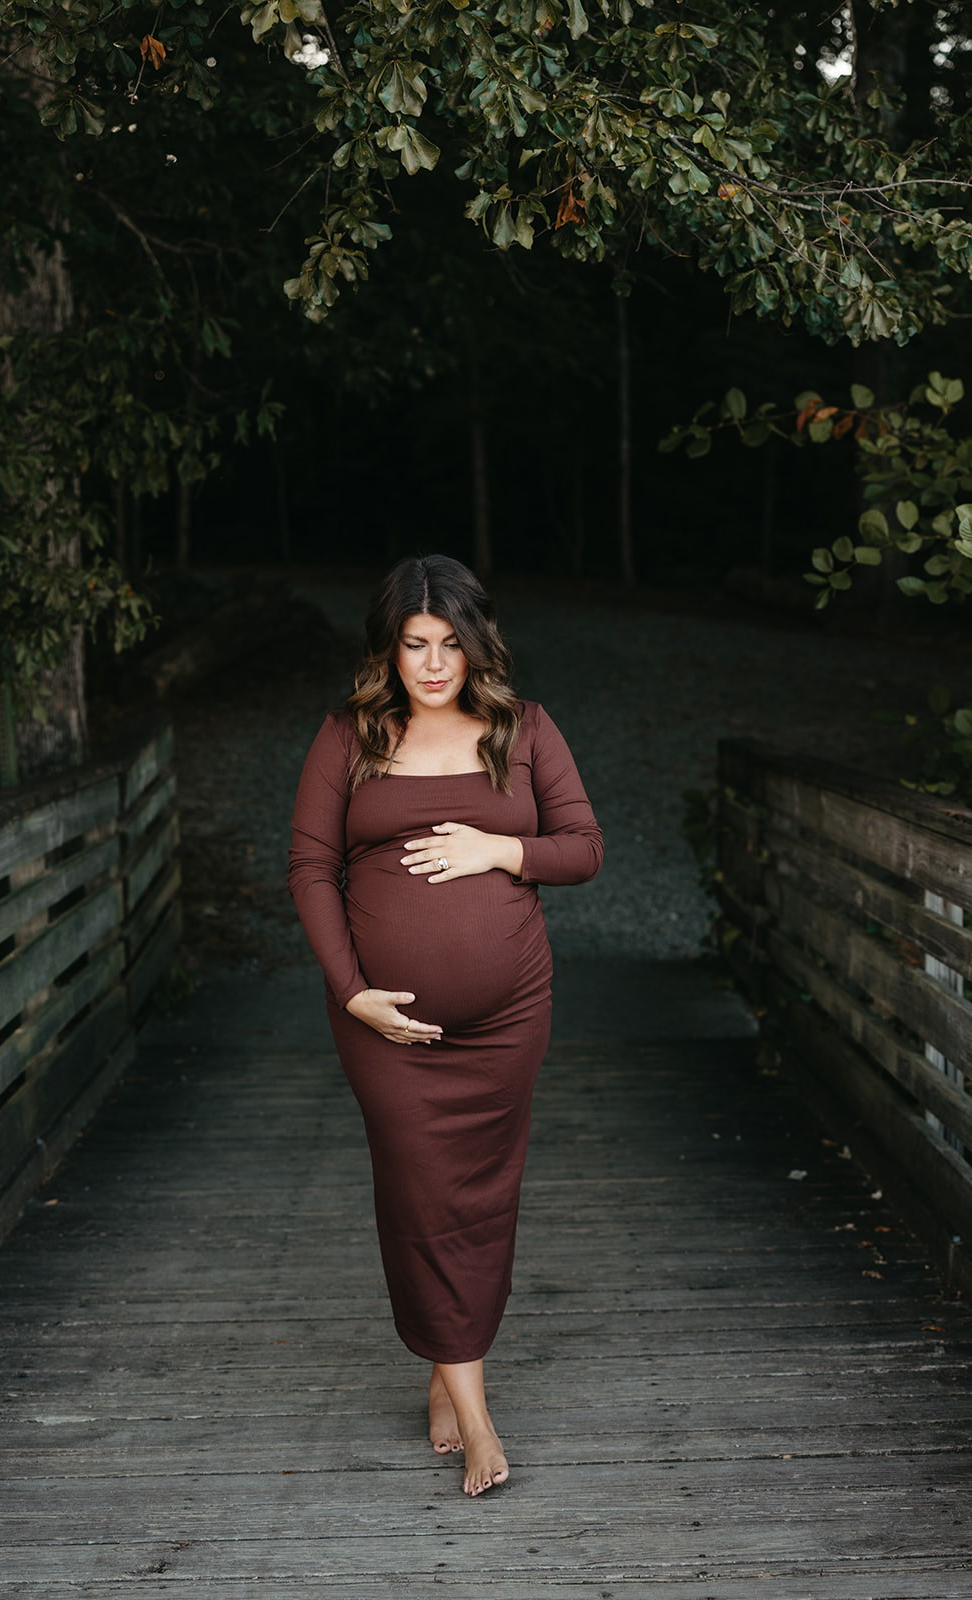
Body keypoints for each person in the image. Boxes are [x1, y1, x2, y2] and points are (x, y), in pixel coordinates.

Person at [288, 554, 603, 1496]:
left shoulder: (524, 730)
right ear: (388, 650)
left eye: (450, 645)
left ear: (477, 646)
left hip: (508, 1018)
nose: (433, 664)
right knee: (423, 1198)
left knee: (480, 1199)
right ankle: (476, 1416)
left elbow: (583, 849)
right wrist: (351, 992)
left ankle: (442, 1363)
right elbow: (310, 868)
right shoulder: (348, 737)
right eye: (414, 645)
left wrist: (499, 847)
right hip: (385, 1025)